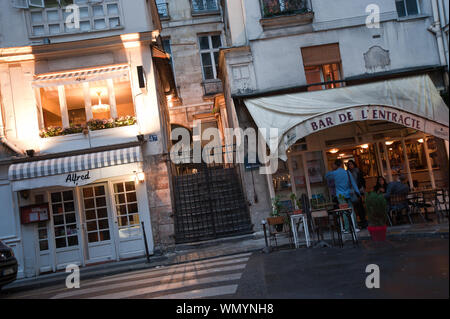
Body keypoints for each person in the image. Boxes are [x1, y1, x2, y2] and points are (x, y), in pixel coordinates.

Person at [325, 159, 361, 233]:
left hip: (340, 195)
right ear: (341, 165)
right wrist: (358, 192)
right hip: (349, 193)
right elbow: (353, 183)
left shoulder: (334, 173)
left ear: (335, 165)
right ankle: (355, 227)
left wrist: (333, 169)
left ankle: (347, 228)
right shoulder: (347, 172)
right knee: (351, 210)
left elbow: (326, 176)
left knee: (344, 211)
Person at [346, 160, 368, 229]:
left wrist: (362, 188)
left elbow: (362, 180)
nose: (350, 166)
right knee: (355, 207)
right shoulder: (348, 173)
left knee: (360, 206)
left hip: (358, 190)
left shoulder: (358, 171)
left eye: (351, 164)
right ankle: (358, 222)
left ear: (354, 164)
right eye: (349, 165)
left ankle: (363, 221)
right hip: (352, 192)